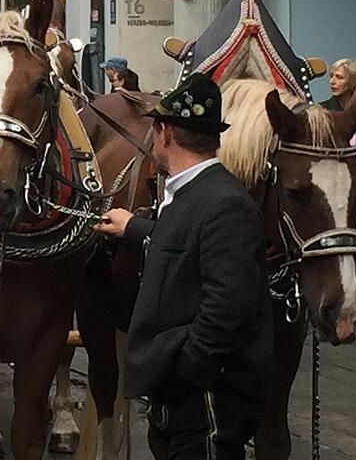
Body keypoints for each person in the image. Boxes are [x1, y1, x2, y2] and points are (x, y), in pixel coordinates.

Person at [94, 72, 271, 460]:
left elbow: (227, 311)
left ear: (165, 132)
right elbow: (183, 244)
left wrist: (183, 374)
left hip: (205, 402)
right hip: (187, 399)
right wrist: (133, 229)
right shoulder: (193, 193)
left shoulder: (226, 204)